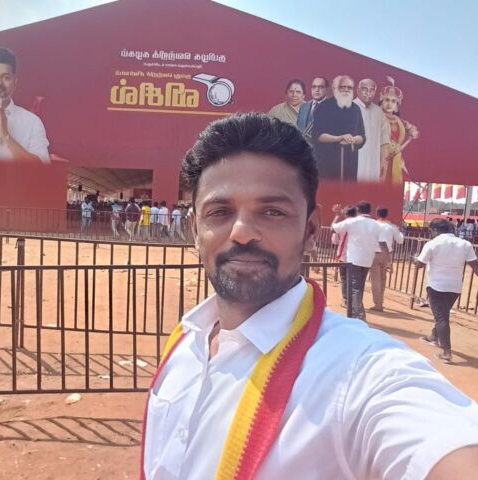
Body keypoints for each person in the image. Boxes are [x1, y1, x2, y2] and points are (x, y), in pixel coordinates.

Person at [142, 112, 478, 480]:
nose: (241, 231)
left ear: (310, 230)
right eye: (220, 212)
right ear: (195, 229)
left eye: (272, 212)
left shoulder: (358, 372)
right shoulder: (186, 340)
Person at [415, 219, 478, 363]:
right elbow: (475, 265)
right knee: (442, 313)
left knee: (441, 317)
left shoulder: (432, 244)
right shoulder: (465, 244)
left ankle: (446, 352)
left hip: (436, 286)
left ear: (435, 230)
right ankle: (434, 336)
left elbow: (420, 264)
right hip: (455, 287)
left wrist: (415, 259)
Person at [332, 201, 385, 320]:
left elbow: (333, 228)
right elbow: (381, 242)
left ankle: (359, 314)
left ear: (358, 210)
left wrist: (337, 216)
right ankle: (354, 311)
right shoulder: (376, 224)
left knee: (354, 287)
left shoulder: (353, 221)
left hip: (354, 259)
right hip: (368, 259)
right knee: (359, 286)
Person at [312, 75, 366, 180]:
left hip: (350, 165)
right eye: (343, 87)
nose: (346, 89)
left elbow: (362, 136)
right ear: (336, 88)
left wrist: (354, 139)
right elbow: (317, 136)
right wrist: (339, 138)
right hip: (327, 165)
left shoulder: (356, 109)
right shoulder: (324, 107)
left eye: (349, 87)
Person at [380, 80, 419, 184]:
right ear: (381, 102)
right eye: (387, 100)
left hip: (396, 156)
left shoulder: (400, 121)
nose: (389, 104)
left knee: (394, 182)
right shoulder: (375, 117)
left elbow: (413, 129)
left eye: (393, 101)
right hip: (379, 157)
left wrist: (413, 132)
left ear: (397, 106)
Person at [353, 79, 390, 182]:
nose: (368, 93)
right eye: (364, 89)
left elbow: (384, 141)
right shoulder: (349, 107)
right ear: (357, 90)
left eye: (371, 90)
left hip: (373, 167)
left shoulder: (379, 111)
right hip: (353, 165)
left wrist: (383, 163)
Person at [369, 206, 404, 311]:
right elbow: (400, 240)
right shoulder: (392, 227)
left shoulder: (372, 225)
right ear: (386, 215)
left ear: (377, 214)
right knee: (383, 279)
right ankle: (380, 301)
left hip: (374, 253)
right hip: (386, 254)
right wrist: (399, 231)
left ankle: (378, 303)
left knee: (375, 280)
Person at [332, 205, 357, 307]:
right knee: (355, 280)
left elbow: (334, 239)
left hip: (343, 256)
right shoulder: (359, 226)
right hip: (356, 256)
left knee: (344, 279)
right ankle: (355, 301)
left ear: (345, 214)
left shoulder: (342, 226)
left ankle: (346, 300)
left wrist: (337, 216)